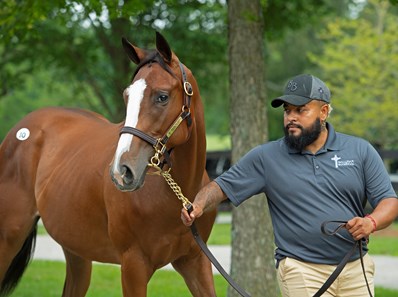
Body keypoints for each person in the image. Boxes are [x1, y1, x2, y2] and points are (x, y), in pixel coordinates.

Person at [181, 74, 398, 297]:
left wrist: (371, 222)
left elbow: (388, 200)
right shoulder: (266, 157)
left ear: (323, 112)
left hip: (355, 267)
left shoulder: (360, 150)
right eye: (287, 110)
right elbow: (221, 186)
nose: (290, 117)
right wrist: (198, 205)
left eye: (300, 110)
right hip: (301, 270)